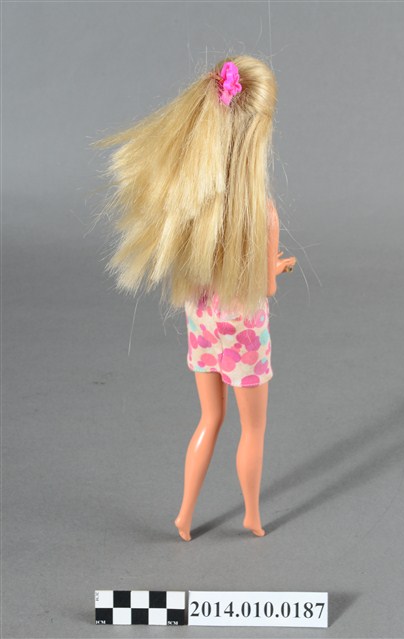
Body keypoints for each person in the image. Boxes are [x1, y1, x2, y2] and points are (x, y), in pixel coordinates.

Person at [92, 55, 296, 541]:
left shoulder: (197, 202)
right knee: (252, 430)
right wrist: (276, 268)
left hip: (203, 322)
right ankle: (251, 515)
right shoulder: (262, 213)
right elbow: (263, 288)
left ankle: (184, 514)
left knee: (209, 418)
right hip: (244, 333)